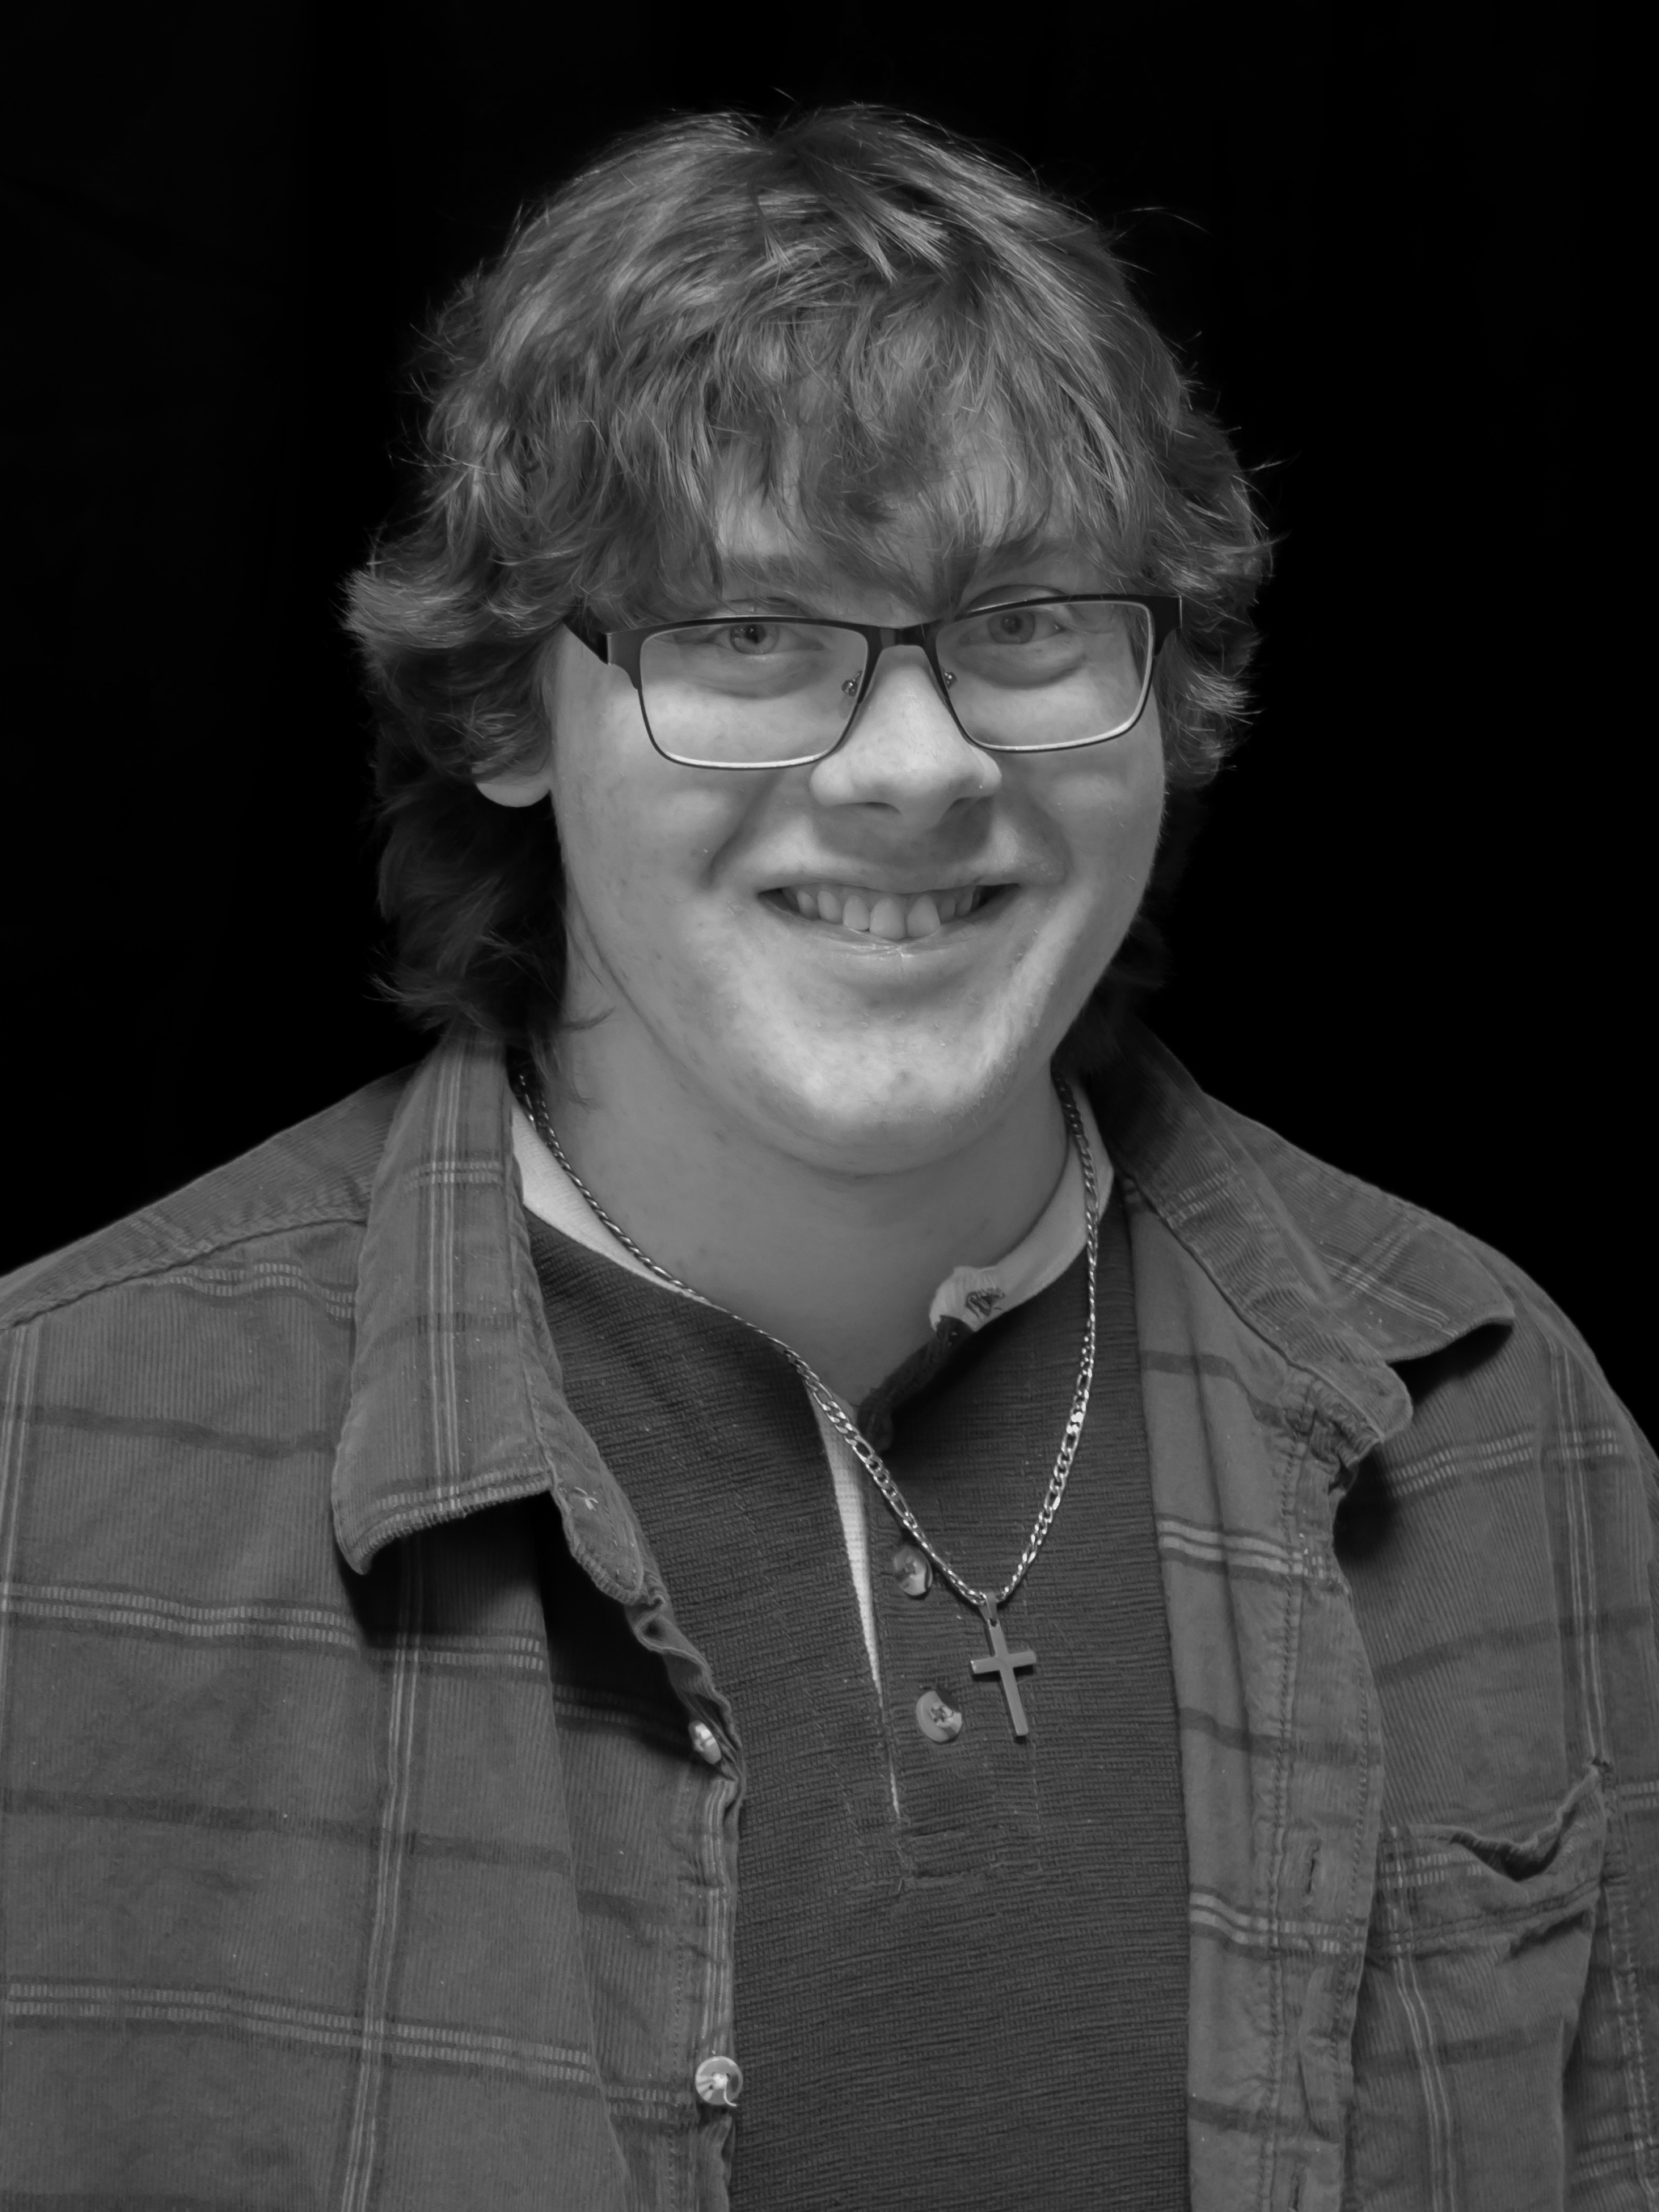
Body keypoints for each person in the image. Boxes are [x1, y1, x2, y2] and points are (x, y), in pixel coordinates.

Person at [0, 103, 1653, 2212]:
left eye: (1026, 620)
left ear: (1170, 697)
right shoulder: (51, 1471)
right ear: (513, 706)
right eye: (749, 635)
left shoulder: (1500, 1420)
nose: (911, 768)